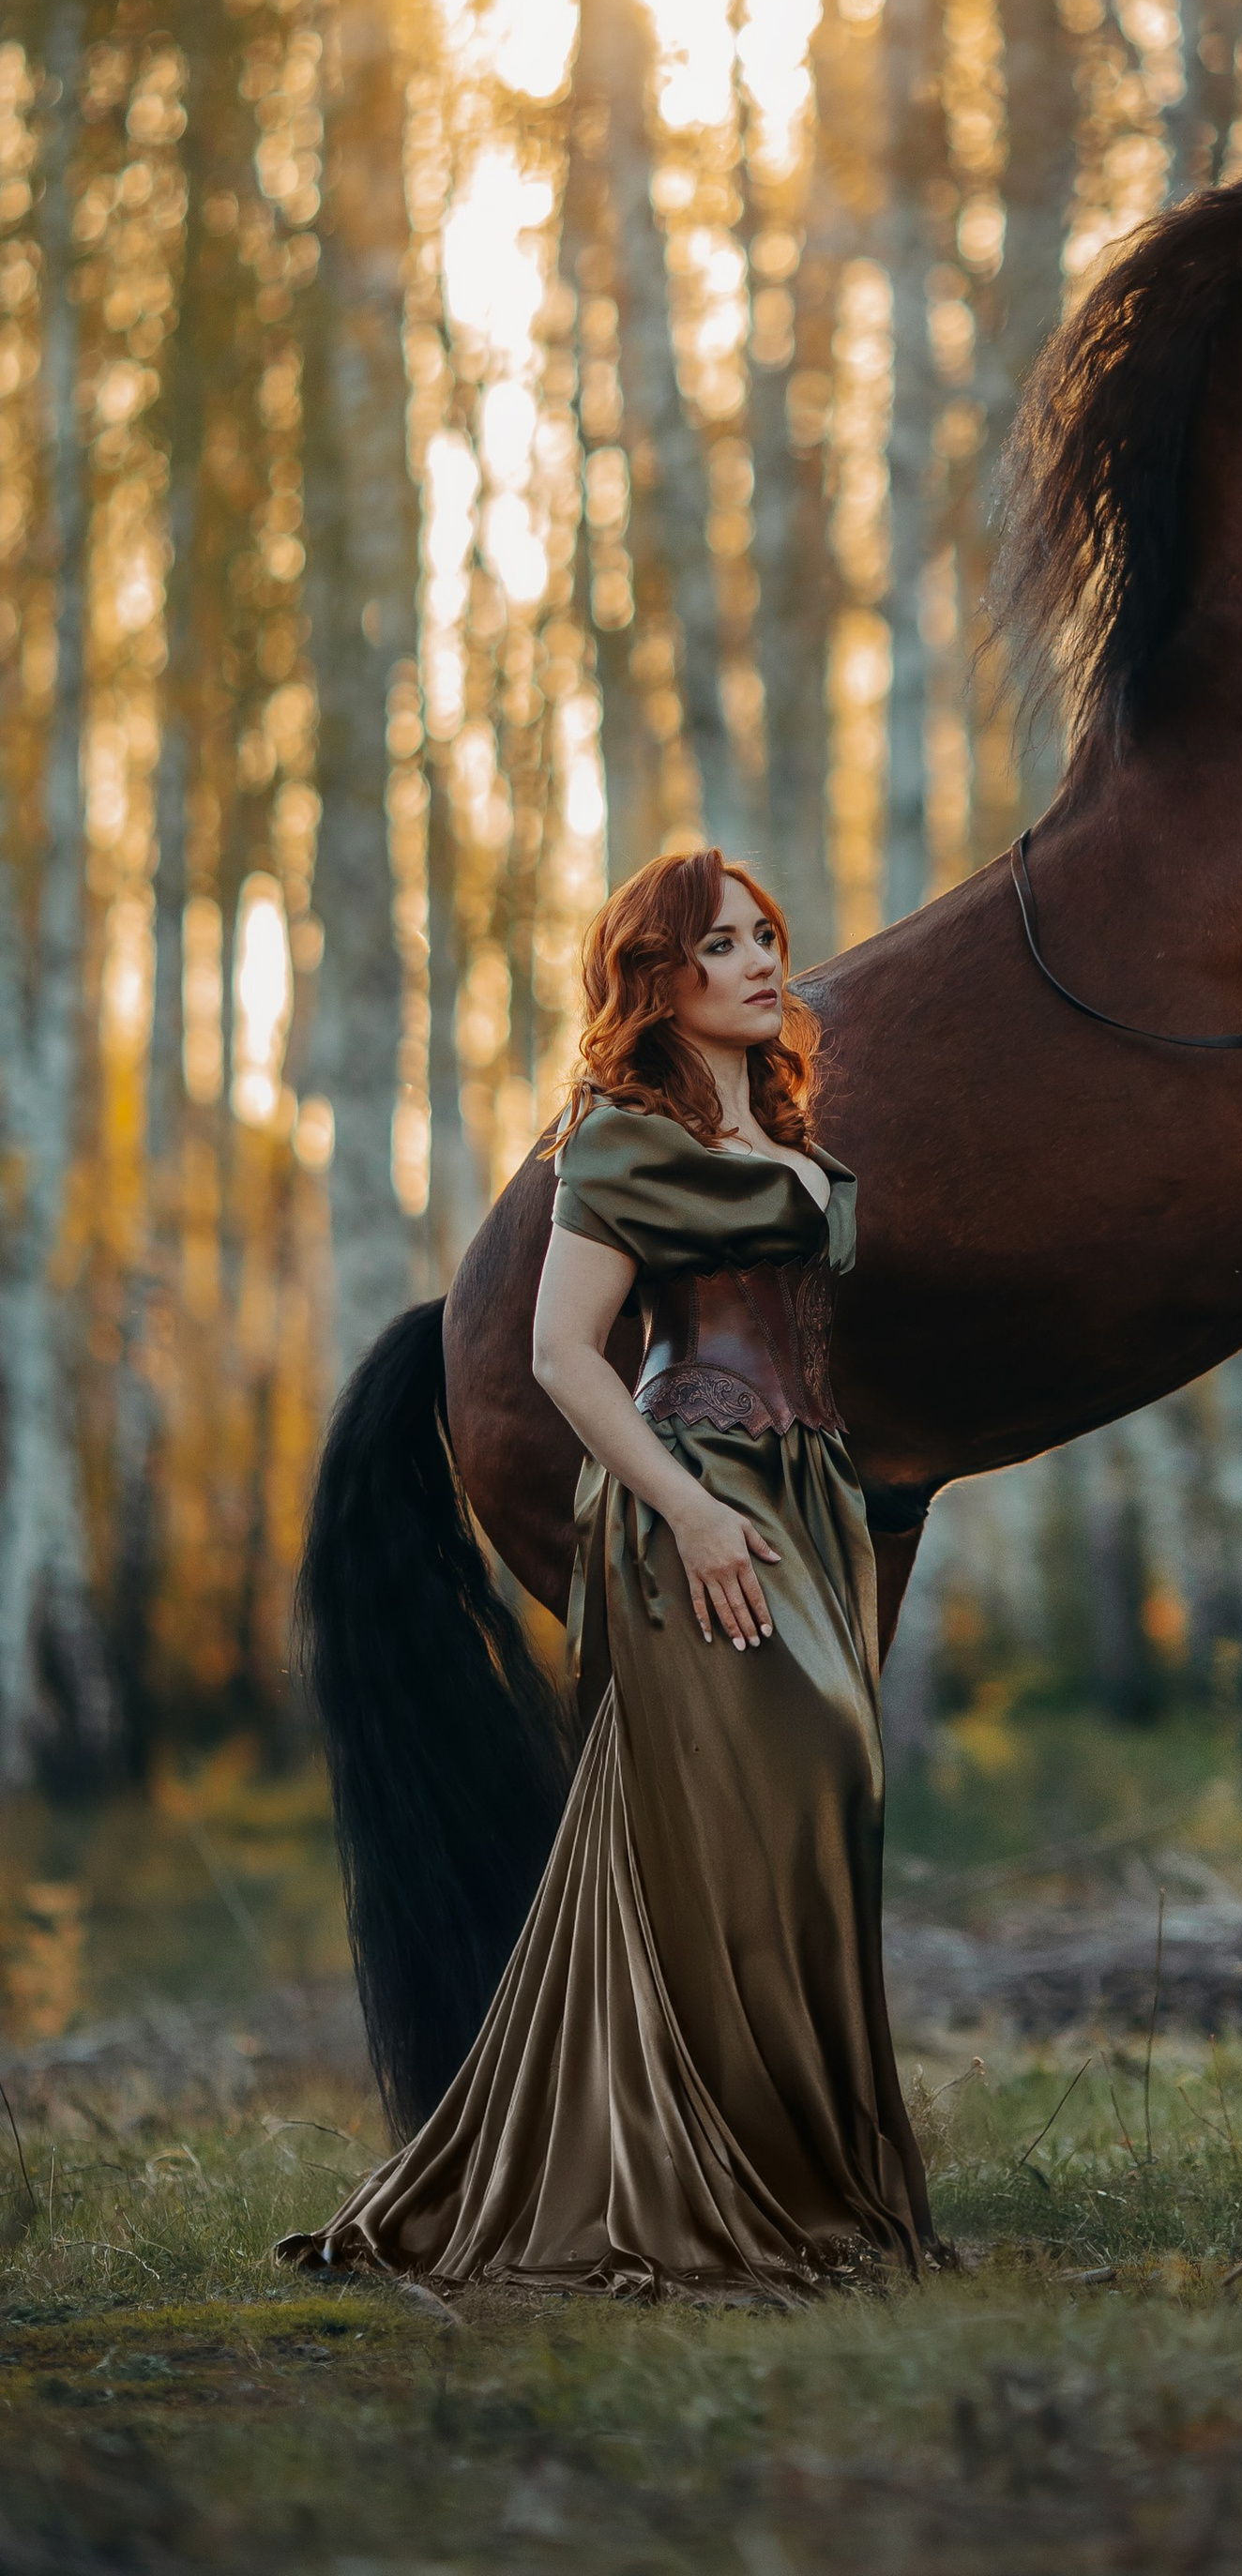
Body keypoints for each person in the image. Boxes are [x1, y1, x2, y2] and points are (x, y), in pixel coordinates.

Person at [280, 848, 932, 2300]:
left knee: (827, 1809)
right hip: (691, 1506)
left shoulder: (785, 1127)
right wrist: (692, 1515)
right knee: (748, 1829)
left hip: (810, 1499)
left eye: (770, 936)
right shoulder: (616, 1145)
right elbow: (565, 1358)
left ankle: (814, 2180)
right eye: (726, 945)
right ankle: (720, 2188)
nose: (767, 962)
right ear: (662, 977)